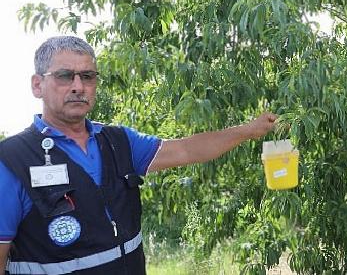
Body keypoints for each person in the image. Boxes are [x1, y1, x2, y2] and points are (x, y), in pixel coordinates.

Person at [0, 36, 278, 274]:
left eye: (87, 76)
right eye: (64, 76)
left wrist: (249, 130)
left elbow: (185, 149)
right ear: (37, 85)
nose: (78, 86)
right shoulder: (12, 159)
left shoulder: (118, 141)